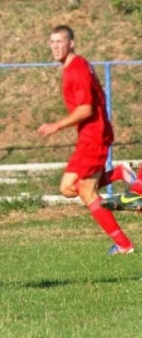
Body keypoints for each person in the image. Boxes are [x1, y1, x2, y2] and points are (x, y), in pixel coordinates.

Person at [38, 25, 135, 255]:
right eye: (52, 42)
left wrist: (57, 125)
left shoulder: (76, 69)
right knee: (68, 188)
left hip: (94, 135)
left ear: (71, 43)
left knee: (86, 192)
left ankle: (124, 245)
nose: (55, 46)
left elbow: (86, 109)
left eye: (60, 41)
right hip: (89, 135)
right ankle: (119, 173)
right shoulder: (74, 66)